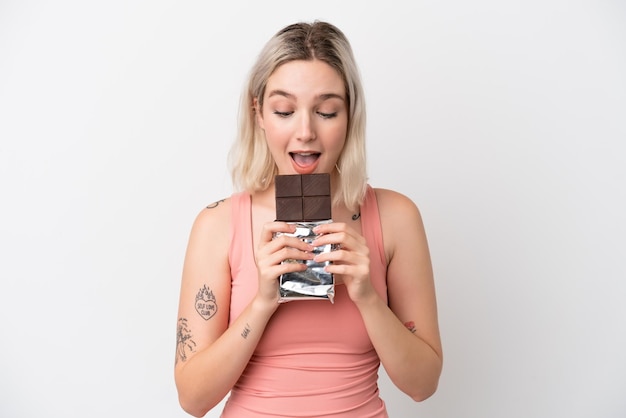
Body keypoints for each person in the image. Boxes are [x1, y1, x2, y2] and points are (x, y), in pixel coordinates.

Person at [174, 20, 443, 418]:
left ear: (350, 115)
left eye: (326, 111)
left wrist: (366, 295)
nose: (305, 132)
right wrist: (263, 301)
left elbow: (423, 385)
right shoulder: (217, 226)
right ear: (259, 113)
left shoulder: (395, 217)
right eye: (284, 110)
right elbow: (193, 400)